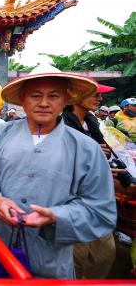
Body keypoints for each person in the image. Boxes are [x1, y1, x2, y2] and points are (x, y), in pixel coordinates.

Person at [0, 63, 117, 278]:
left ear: (66, 99)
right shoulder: (2, 134)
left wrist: (56, 216)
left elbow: (101, 211)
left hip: (52, 262)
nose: (43, 103)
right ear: (23, 98)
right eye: (35, 95)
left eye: (53, 96)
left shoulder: (86, 148)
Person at [61, 79, 116, 278]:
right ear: (77, 96)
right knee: (77, 257)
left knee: (104, 255)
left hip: (96, 199)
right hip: (71, 200)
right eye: (95, 94)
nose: (100, 98)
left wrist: (105, 157)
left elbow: (105, 154)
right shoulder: (62, 123)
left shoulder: (93, 122)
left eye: (100, 94)